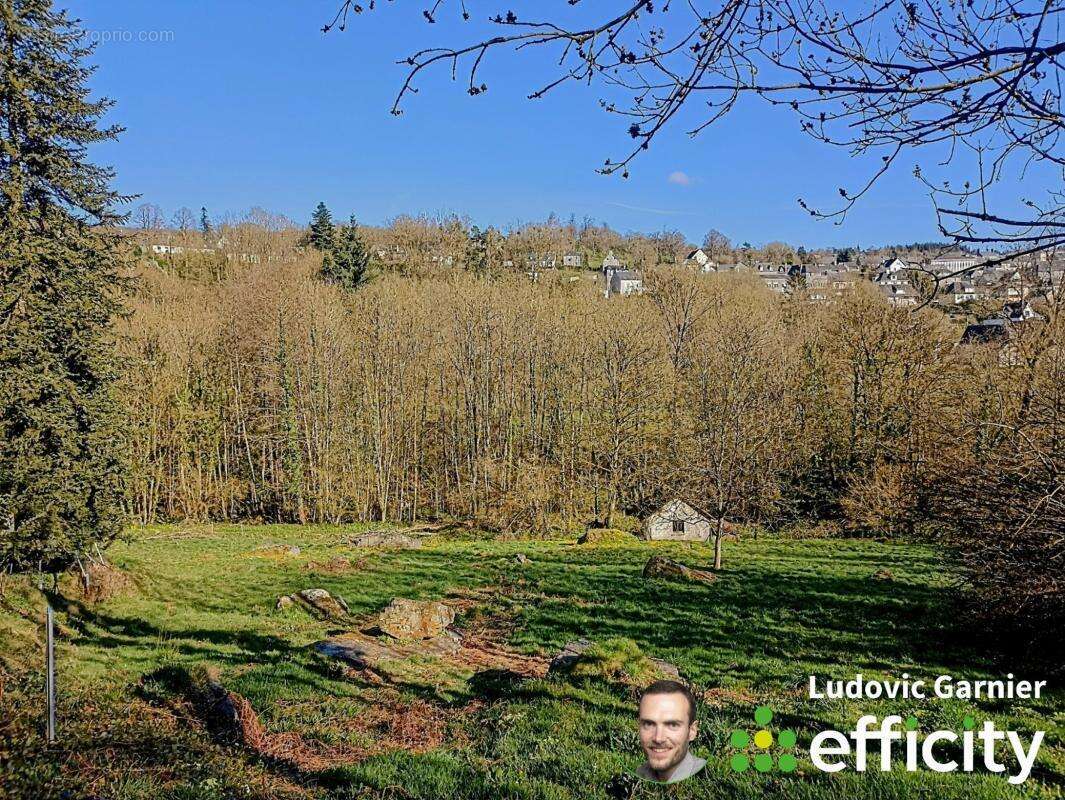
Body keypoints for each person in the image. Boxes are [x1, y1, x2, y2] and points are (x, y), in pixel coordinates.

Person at [635, 679, 706, 784]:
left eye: (672, 725)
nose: (658, 738)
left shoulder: (708, 779)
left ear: (692, 731)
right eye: (649, 724)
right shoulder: (639, 776)